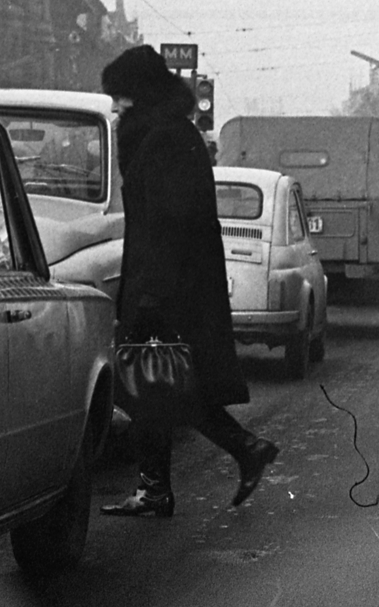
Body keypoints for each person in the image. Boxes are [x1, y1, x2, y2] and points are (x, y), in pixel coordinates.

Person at [97, 45, 280, 518]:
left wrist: (150, 296)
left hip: (167, 286)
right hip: (171, 282)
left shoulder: (162, 140)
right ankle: (160, 484)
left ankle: (238, 449)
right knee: (155, 386)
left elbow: (165, 223)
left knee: (158, 383)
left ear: (140, 93)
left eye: (121, 97)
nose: (115, 107)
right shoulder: (166, 134)